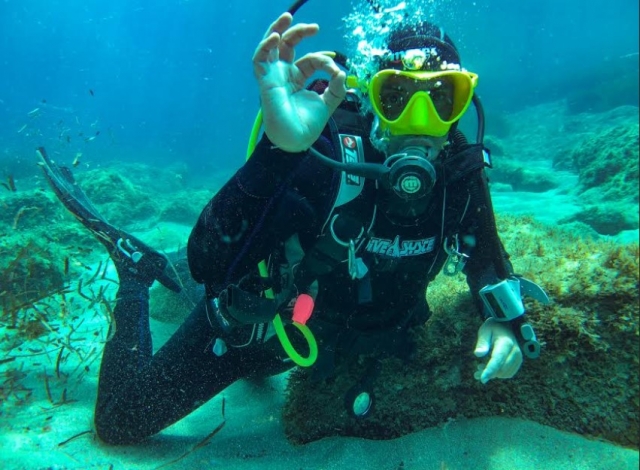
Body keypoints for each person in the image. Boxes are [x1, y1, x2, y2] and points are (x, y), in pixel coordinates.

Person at [40, 6, 546, 446]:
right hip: (263, 329)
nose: (419, 119)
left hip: (323, 341)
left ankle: (165, 281)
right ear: (370, 95)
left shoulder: (459, 170)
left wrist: (502, 315)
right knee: (122, 421)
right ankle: (136, 273)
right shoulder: (328, 153)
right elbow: (209, 262)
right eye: (396, 96)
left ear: (463, 103)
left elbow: (486, 256)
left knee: (237, 343)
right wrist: (279, 155)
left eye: (442, 98)